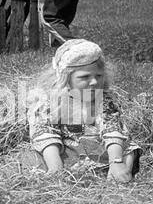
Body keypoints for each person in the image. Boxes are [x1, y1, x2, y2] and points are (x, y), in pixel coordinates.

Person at [25, 39, 139, 182]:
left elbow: (112, 128)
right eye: (84, 77)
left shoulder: (102, 99)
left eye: (98, 76)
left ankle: (118, 171)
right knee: (34, 156)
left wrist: (115, 161)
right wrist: (56, 168)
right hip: (62, 149)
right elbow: (46, 133)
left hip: (98, 147)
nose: (94, 82)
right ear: (65, 78)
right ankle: (58, 171)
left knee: (127, 147)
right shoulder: (50, 101)